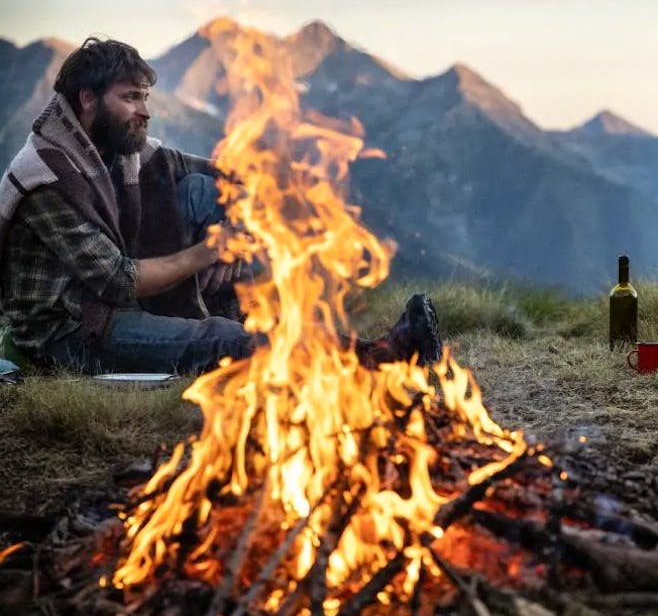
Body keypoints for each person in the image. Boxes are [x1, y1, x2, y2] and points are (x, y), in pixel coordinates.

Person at [0, 37, 441, 375]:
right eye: (130, 98)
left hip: (112, 298)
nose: (145, 111)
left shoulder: (116, 150)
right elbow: (119, 280)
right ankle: (374, 358)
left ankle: (247, 310)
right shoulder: (50, 178)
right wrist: (208, 251)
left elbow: (218, 175)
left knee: (201, 191)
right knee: (219, 340)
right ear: (88, 100)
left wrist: (258, 199)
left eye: (146, 98)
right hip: (73, 330)